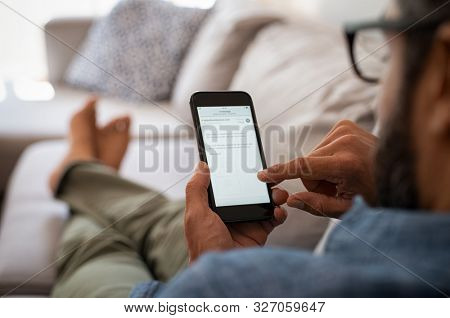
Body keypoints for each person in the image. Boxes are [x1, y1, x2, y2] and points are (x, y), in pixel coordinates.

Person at [50, 0, 450, 297]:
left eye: (387, 62)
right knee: (160, 219)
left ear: (443, 80)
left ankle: (80, 169)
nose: (382, 98)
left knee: (100, 245)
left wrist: (213, 275)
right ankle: (89, 174)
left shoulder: (229, 283)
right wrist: (392, 197)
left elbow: (223, 285)